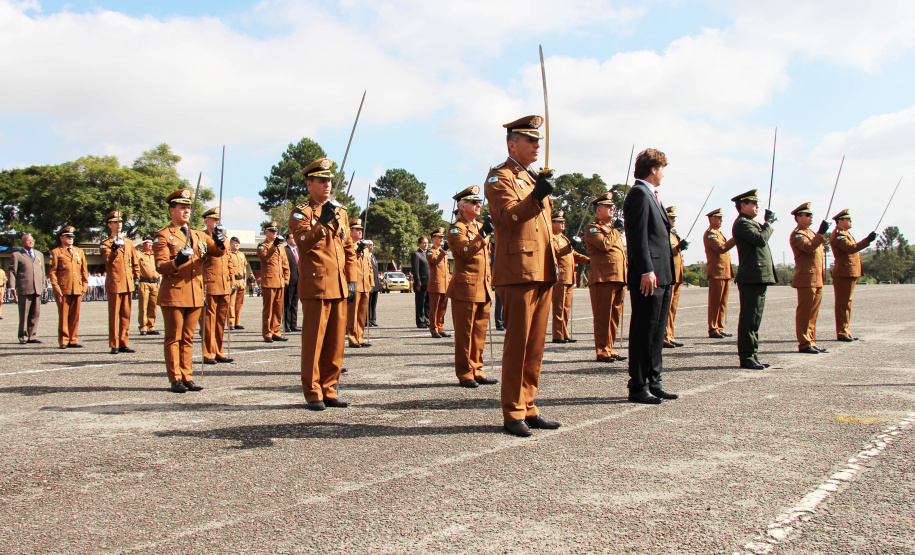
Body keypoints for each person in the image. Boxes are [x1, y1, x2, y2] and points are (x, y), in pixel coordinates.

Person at [485, 114, 561, 437]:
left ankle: (529, 405)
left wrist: (538, 190)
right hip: (518, 271)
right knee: (518, 343)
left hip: (541, 269)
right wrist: (537, 197)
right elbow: (507, 217)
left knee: (535, 344)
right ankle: (512, 411)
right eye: (530, 140)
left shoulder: (531, 178)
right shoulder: (498, 177)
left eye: (538, 140)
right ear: (511, 144)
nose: (537, 145)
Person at [288, 157, 357, 410]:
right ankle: (313, 392)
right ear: (309, 184)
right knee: (314, 341)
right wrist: (321, 223)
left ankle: (330, 388)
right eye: (321, 181)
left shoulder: (341, 211)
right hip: (316, 285)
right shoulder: (301, 212)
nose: (327, 185)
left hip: (338, 285)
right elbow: (304, 242)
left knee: (336, 342)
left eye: (329, 180)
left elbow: (348, 248)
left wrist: (352, 280)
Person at [154, 188, 226, 392]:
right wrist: (176, 261)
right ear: (172, 210)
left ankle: (187, 375)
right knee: (174, 337)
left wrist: (220, 240)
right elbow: (160, 266)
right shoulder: (164, 236)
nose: (186, 211)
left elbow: (216, 252)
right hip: (174, 293)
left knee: (188, 337)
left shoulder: (198, 235)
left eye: (188, 208)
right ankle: (175, 377)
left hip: (195, 293)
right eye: (182, 207)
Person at [622, 148, 677, 404]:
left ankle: (654, 381)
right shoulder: (639, 194)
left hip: (662, 274)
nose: (664, 174)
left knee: (657, 331)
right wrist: (645, 269)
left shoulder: (652, 195)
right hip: (649, 275)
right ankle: (638, 385)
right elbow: (636, 236)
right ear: (654, 168)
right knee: (644, 329)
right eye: (663, 168)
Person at [448, 186, 496, 388]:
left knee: (479, 333)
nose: (479, 205)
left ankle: (477, 368)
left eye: (479, 202)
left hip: (483, 286)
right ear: (462, 206)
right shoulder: (456, 229)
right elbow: (465, 252)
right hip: (465, 288)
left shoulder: (479, 227)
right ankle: (465, 372)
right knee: (465, 333)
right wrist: (482, 234)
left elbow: (490, 253)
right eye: (474, 202)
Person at [732, 189, 777, 369]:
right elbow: (760, 240)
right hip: (751, 277)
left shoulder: (752, 222)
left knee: (755, 319)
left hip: (757, 277)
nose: (757, 206)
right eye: (753, 203)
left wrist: (765, 224)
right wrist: (768, 224)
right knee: (749, 319)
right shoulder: (742, 223)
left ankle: (753, 354)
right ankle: (747, 357)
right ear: (743, 205)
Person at [585, 194, 628, 363]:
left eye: (613, 207)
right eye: (608, 207)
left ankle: (610, 347)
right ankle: (602, 349)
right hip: (603, 277)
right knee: (603, 316)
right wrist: (617, 230)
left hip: (618, 276)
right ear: (599, 210)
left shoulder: (611, 230)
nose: (612, 209)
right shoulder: (593, 228)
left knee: (614, 315)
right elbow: (604, 245)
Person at [829, 209, 877, 342]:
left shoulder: (845, 233)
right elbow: (850, 248)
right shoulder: (839, 234)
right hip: (844, 272)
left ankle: (846, 330)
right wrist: (867, 240)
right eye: (848, 219)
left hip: (849, 272)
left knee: (847, 303)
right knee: (843, 304)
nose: (850, 221)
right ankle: (842, 332)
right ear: (840, 221)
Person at [789, 202, 831, 354]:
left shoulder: (811, 233)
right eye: (807, 215)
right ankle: (804, 342)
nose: (811, 216)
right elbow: (808, 248)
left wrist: (819, 233)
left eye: (811, 214)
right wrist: (821, 233)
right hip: (806, 278)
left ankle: (811, 340)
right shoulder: (798, 234)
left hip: (817, 278)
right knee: (805, 312)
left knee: (813, 313)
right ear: (799, 218)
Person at [100, 210, 140, 354]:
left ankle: (124, 342)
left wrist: (137, 277)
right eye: (115, 222)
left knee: (126, 315)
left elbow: (135, 262)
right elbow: (107, 260)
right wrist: (114, 248)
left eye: (120, 222)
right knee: (114, 315)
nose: (119, 225)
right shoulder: (106, 244)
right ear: (109, 225)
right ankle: (114, 343)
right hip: (115, 282)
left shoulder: (128, 242)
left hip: (128, 282)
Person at [201, 207, 236, 364]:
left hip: (224, 284)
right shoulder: (202, 237)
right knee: (208, 321)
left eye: (218, 220)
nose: (216, 222)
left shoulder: (225, 239)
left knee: (221, 320)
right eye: (214, 220)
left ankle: (219, 350)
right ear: (206, 221)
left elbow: (229, 261)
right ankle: (208, 352)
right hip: (209, 283)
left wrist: (232, 281)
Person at [551, 210, 590, 344]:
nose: (563, 224)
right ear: (553, 223)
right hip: (560, 277)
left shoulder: (564, 238)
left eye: (563, 222)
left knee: (566, 307)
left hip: (569, 278)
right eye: (560, 222)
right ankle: (557, 334)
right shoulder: (552, 238)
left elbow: (574, 254)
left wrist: (589, 260)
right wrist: (570, 245)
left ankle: (564, 332)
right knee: (559, 307)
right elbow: (557, 253)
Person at [48, 226, 89, 349]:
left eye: (72, 237)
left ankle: (73, 339)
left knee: (75, 315)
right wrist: (56, 288)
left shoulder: (79, 251)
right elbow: (52, 272)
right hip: (64, 289)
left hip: (77, 288)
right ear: (61, 238)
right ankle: (64, 340)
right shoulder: (56, 252)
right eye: (68, 236)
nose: (70, 239)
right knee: (64, 315)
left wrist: (84, 286)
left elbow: (84, 271)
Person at [703, 208, 736, 338]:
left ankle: (720, 327)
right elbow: (721, 248)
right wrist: (735, 238)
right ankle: (713, 328)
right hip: (717, 272)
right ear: (712, 219)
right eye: (719, 218)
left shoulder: (718, 233)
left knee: (723, 303)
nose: (721, 220)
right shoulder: (710, 234)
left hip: (725, 272)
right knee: (715, 302)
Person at [258, 221, 289, 342]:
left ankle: (276, 331)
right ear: (266, 232)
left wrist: (286, 279)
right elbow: (265, 258)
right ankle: (267, 333)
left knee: (278, 308)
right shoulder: (263, 246)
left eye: (275, 231)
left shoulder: (281, 246)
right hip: (269, 281)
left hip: (280, 281)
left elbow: (285, 264)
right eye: (272, 231)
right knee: (268, 309)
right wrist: (273, 246)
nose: (274, 233)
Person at [11, 233, 45, 343]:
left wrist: (42, 285)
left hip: (37, 287)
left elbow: (42, 271)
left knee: (35, 313)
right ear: (22, 243)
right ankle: (23, 335)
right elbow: (12, 271)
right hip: (24, 287)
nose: (31, 242)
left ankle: (32, 335)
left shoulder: (39, 254)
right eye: (28, 241)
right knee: (24, 313)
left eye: (32, 240)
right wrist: (12, 287)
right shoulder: (17, 255)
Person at [663, 206, 688, 348]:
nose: (673, 220)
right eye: (671, 217)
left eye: (674, 218)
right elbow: (664, 250)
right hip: (669, 273)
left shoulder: (673, 233)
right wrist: (677, 248)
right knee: (667, 307)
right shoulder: (664, 232)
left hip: (677, 274)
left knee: (673, 307)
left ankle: (670, 334)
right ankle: (665, 336)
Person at [347, 219, 373, 347]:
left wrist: (371, 282)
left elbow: (369, 266)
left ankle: (360, 337)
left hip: (364, 284)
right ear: (350, 231)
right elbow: (349, 261)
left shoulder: (366, 248)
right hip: (354, 283)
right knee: (353, 313)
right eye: (357, 230)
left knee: (362, 313)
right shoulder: (349, 245)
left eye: (361, 230)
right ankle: (352, 338)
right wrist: (358, 250)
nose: (360, 232)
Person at [427, 227, 451, 338]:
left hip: (445, 285)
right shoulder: (430, 252)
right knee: (434, 308)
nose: (442, 239)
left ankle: (440, 327)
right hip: (436, 285)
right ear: (433, 239)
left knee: (443, 308)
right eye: (439, 237)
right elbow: (435, 261)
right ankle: (434, 329)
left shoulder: (442, 252)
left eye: (442, 237)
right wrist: (444, 251)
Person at [136, 236, 161, 336]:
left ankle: (151, 326)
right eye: (148, 243)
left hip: (155, 283)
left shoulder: (154, 255)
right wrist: (140, 242)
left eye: (151, 243)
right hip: (144, 283)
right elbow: (130, 249)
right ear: (143, 244)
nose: (150, 245)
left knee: (153, 306)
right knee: (143, 306)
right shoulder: (139, 254)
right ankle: (143, 327)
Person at [228, 237, 250, 330]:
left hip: (241, 280)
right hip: (233, 280)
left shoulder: (241, 254)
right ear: (231, 244)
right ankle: (231, 323)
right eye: (235, 244)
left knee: (239, 303)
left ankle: (237, 322)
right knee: (231, 303)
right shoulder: (228, 254)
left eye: (238, 244)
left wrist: (245, 280)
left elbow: (244, 268)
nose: (236, 245)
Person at [410, 236, 431, 328]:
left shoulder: (429, 254)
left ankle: (427, 319)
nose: (426, 244)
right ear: (419, 244)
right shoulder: (416, 254)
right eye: (424, 243)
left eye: (427, 243)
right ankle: (420, 321)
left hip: (429, 283)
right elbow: (415, 270)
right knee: (420, 303)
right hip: (421, 283)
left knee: (428, 303)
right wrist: (417, 282)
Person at [283, 233, 300, 332]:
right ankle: (286, 325)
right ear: (288, 240)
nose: (294, 239)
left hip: (298, 280)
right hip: (289, 280)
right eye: (292, 238)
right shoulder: (285, 250)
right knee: (287, 303)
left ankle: (294, 324)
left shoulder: (298, 250)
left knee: (295, 303)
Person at [367, 241, 380, 326]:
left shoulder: (373, 256)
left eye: (372, 245)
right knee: (368, 303)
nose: (372, 246)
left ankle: (373, 319)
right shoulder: (365, 256)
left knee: (373, 303)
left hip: (375, 283)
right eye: (370, 245)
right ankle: (367, 320)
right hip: (369, 283)